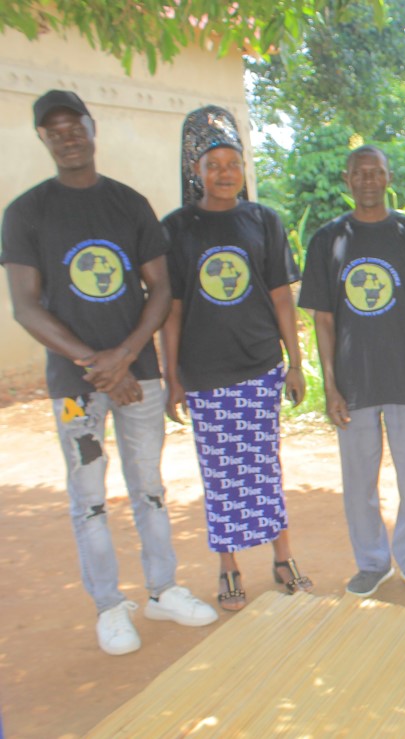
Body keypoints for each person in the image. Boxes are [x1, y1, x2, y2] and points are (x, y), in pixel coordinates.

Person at [1, 90, 216, 655]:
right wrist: (96, 364)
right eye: (54, 131)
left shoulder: (128, 204)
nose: (67, 138)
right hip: (76, 385)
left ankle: (163, 590)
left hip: (137, 374)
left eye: (74, 126)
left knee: (150, 488)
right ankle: (109, 606)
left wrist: (124, 355)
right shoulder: (26, 212)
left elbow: (160, 288)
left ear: (92, 128)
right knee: (89, 497)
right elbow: (25, 307)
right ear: (43, 139)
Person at [161, 107, 313, 612]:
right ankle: (228, 565)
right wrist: (171, 375)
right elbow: (172, 309)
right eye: (214, 165)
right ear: (196, 171)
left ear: (244, 169)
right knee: (219, 472)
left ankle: (283, 558)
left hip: (259, 366)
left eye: (233, 163)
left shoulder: (263, 220)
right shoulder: (176, 228)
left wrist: (294, 361)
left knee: (265, 465)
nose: (225, 173)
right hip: (205, 372)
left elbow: (281, 297)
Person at [299, 145, 405, 599]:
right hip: (353, 383)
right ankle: (371, 563)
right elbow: (323, 319)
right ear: (347, 180)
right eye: (359, 173)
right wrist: (330, 386)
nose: (368, 180)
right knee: (358, 482)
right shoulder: (328, 239)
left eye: (376, 172)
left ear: (388, 178)